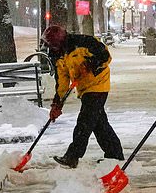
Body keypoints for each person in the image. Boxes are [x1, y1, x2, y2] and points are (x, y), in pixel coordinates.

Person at [43, 25, 125, 168]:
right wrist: (57, 104)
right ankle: (114, 155)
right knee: (99, 124)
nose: (50, 48)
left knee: (85, 121)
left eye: (52, 45)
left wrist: (90, 64)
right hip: (84, 89)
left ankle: (73, 155)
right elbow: (62, 83)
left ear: (60, 42)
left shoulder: (83, 42)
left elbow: (105, 56)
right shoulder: (58, 57)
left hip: (98, 84)